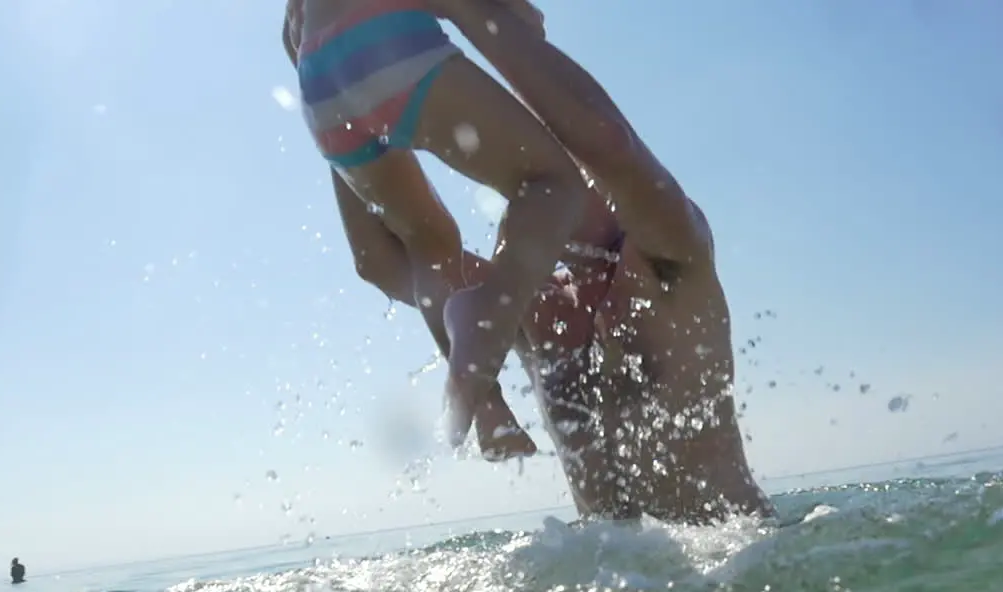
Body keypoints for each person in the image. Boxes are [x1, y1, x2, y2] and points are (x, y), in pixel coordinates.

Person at [331, 0, 775, 522]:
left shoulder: (676, 258)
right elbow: (381, 260)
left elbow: (608, 142)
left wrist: (480, 17)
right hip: (609, 580)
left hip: (737, 560)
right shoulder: (531, 310)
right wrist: (335, 85)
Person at [283, 0, 588, 456]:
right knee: (553, 183)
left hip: (317, 83)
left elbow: (290, 32)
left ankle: (489, 413)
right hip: (384, 40)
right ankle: (492, 319)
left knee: (430, 242)